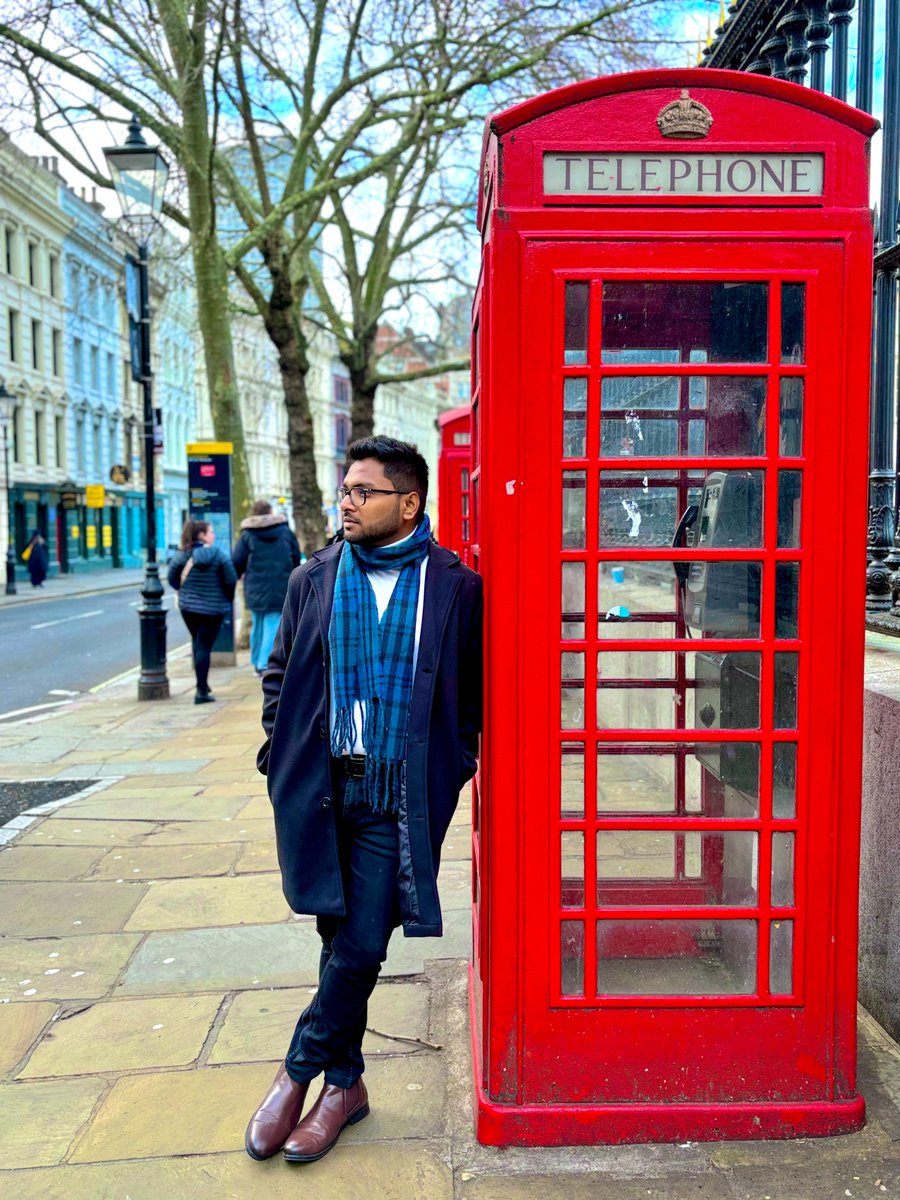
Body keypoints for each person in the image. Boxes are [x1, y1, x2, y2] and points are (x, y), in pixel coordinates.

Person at [245, 436, 482, 1165]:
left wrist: (453, 764)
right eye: (343, 489)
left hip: (397, 793)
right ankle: (345, 1086)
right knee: (334, 935)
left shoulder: (455, 586)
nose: (345, 502)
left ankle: (297, 1071)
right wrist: (276, 753)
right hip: (321, 786)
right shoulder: (313, 576)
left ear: (408, 503)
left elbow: (469, 698)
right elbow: (280, 675)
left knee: (360, 947)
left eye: (362, 492)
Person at [167, 519, 237, 704]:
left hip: (188, 608)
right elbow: (230, 579)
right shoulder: (219, 554)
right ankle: (201, 691)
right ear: (201, 535)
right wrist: (226, 599)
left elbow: (172, 578)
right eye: (210, 532)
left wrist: (185, 593)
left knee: (199, 644)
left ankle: (203, 686)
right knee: (204, 646)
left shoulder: (182, 555)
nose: (213, 535)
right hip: (214, 609)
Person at [232, 500, 301, 676]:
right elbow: (295, 556)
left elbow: (237, 560)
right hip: (280, 584)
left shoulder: (247, 534)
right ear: (270, 512)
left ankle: (256, 662)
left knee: (258, 624)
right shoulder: (285, 531)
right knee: (272, 624)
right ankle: (265, 664)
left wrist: (239, 574)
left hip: (255, 587)